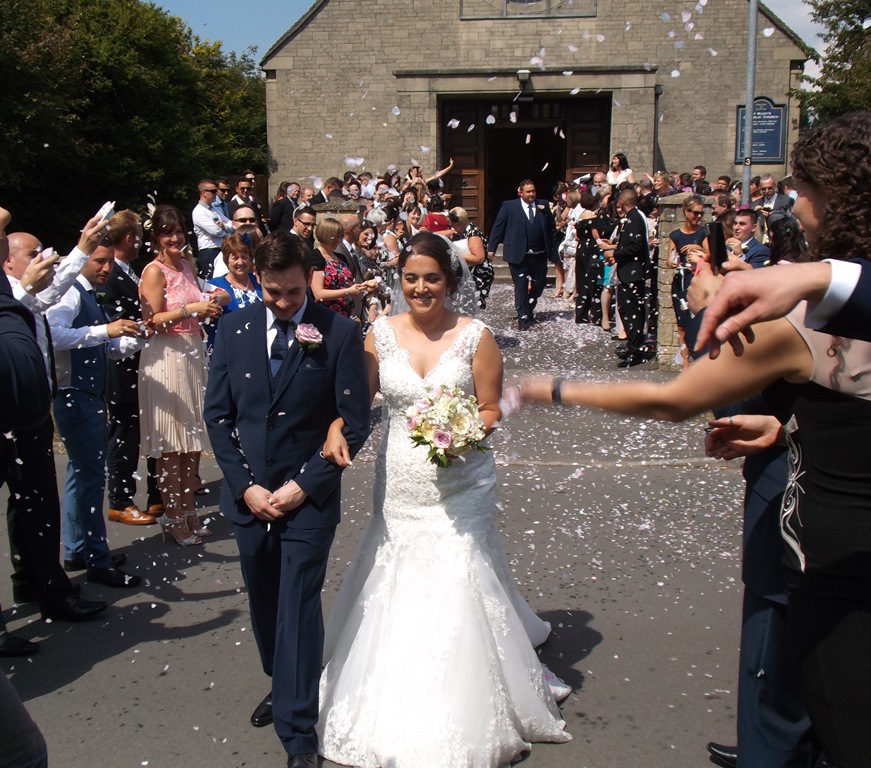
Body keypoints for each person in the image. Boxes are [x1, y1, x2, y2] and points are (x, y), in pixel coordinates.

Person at [516, 111, 871, 768]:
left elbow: (672, 398)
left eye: (801, 187)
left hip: (833, 561)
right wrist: (785, 425)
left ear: (835, 196)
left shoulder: (800, 315)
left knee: (817, 715)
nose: (791, 200)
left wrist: (550, 388)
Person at [316, 231, 571, 767]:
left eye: (432, 278)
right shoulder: (379, 333)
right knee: (397, 564)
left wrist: (462, 434)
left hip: (462, 477)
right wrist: (338, 424)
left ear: (451, 281)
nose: (420, 287)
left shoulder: (476, 336)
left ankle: (470, 691)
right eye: (411, 278)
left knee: (461, 569)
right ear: (399, 280)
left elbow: (490, 409)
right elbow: (358, 402)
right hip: (403, 479)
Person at [204, 231, 370, 768]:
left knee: (297, 604)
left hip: (309, 497)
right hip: (250, 496)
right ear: (259, 279)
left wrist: (305, 483)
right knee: (266, 602)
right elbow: (219, 416)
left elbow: (356, 420)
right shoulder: (233, 328)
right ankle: (285, 682)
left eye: (294, 293)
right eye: (273, 292)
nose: (283, 303)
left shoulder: (339, 333)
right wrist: (245, 486)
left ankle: (299, 735)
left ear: (307, 279)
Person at [46, 242, 147, 587]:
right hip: (76, 397)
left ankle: (78, 549)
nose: (105, 268)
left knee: (81, 476)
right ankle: (97, 559)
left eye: (108, 262)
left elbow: (104, 349)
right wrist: (106, 330)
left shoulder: (89, 294)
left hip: (89, 396)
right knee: (91, 480)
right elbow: (54, 335)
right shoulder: (72, 293)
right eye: (99, 261)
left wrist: (135, 337)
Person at [138, 205, 229, 546]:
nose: (174, 238)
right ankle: (174, 519)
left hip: (191, 354)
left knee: (190, 443)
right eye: (167, 233)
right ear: (156, 238)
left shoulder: (188, 266)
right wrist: (192, 309)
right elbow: (152, 320)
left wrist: (211, 298)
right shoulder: (154, 271)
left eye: (178, 231)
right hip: (166, 357)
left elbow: (196, 298)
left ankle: (190, 512)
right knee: (171, 444)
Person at [100, 210, 163, 526]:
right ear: (129, 239)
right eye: (140, 234)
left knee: (139, 430)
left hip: (139, 365)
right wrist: (145, 328)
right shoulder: (112, 276)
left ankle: (155, 493)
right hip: (122, 367)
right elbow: (115, 324)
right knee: (124, 434)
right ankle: (120, 500)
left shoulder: (127, 272)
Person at [487, 179, 557, 330]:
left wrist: (552, 248)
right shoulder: (509, 206)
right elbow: (498, 227)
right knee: (521, 285)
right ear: (520, 192)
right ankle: (522, 316)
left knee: (539, 283)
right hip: (518, 253)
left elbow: (551, 227)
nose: (531, 194)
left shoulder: (543, 205)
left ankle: (529, 306)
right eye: (528, 191)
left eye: (533, 191)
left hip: (539, 254)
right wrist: (491, 248)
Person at [596, 188, 650, 366]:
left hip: (633, 273)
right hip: (627, 271)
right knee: (625, 311)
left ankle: (636, 352)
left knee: (633, 313)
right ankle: (632, 345)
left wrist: (614, 253)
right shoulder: (631, 218)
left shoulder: (635, 219)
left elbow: (635, 246)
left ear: (622, 202)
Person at [667, 195, 709, 370]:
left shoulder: (703, 233)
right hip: (681, 281)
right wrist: (672, 261)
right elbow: (669, 259)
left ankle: (699, 360)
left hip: (697, 280)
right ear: (686, 212)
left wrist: (699, 249)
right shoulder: (675, 235)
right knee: (682, 323)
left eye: (701, 213)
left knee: (698, 321)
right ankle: (686, 363)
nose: (698, 217)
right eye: (695, 213)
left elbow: (713, 257)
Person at [206, 233, 263, 352]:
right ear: (227, 260)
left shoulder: (258, 281)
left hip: (260, 347)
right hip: (229, 349)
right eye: (235, 258)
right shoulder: (215, 285)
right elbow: (207, 320)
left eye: (244, 257)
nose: (240, 262)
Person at [448, 206, 493, 309]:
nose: (451, 227)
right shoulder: (462, 230)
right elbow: (449, 233)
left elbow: (479, 258)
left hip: (479, 275)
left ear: (458, 224)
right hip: (469, 273)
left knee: (471, 306)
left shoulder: (473, 234)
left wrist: (455, 254)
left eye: (452, 224)